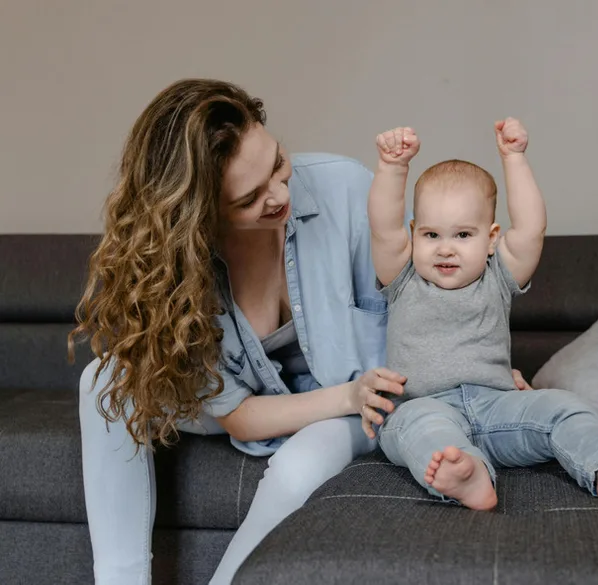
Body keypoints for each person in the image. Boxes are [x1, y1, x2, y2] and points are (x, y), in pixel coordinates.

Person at [69, 77, 539, 585]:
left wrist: (473, 369)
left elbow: (442, 280)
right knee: (104, 377)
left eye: (276, 163)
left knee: (299, 464)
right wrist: (344, 396)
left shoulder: (347, 190)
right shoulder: (182, 271)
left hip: (375, 402)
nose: (279, 193)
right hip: (293, 403)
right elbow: (241, 417)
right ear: (200, 215)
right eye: (249, 198)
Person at [367, 120, 598, 511]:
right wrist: (393, 168)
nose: (445, 249)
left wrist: (513, 159)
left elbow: (532, 229)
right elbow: (383, 229)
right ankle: (467, 474)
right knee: (416, 427)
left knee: (565, 406)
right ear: (413, 234)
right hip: (425, 404)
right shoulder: (403, 278)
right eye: (431, 235)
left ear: (492, 238)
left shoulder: (498, 276)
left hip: (498, 409)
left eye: (463, 235)